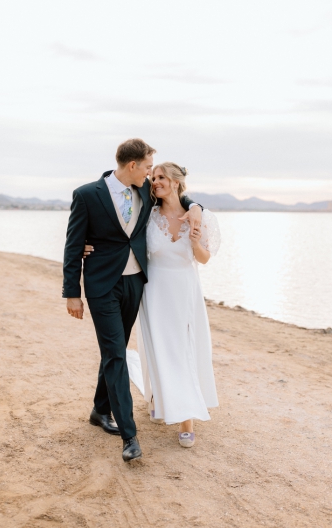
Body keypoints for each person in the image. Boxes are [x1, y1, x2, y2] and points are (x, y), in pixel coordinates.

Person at [62, 139, 202, 462]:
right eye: (149, 167)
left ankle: (100, 410)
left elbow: (179, 197)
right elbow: (72, 246)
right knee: (115, 355)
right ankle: (130, 436)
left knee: (115, 351)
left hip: (134, 286)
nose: (152, 175)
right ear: (132, 166)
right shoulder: (86, 195)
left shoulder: (144, 193)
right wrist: (72, 293)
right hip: (101, 287)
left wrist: (195, 208)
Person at [136, 162, 221, 449]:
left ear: (175, 182)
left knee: (184, 349)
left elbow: (205, 258)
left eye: (160, 177)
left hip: (185, 289)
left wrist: (196, 242)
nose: (155, 181)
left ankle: (187, 418)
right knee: (158, 348)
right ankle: (159, 399)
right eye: (152, 177)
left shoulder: (199, 216)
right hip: (154, 290)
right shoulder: (147, 213)